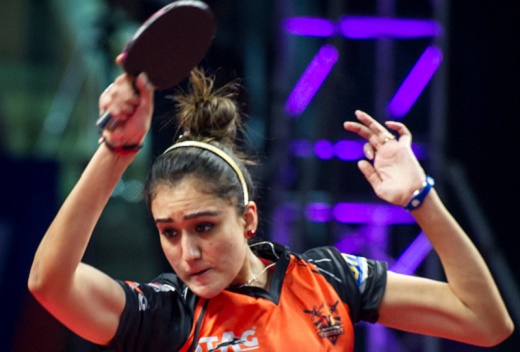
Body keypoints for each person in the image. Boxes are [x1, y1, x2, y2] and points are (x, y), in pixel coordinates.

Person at [28, 67, 513, 352]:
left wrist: (421, 199)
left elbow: (486, 322)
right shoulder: (166, 311)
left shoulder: (328, 278)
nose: (188, 253)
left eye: (204, 226)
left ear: (248, 218)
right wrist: (116, 151)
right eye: (169, 233)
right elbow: (49, 283)